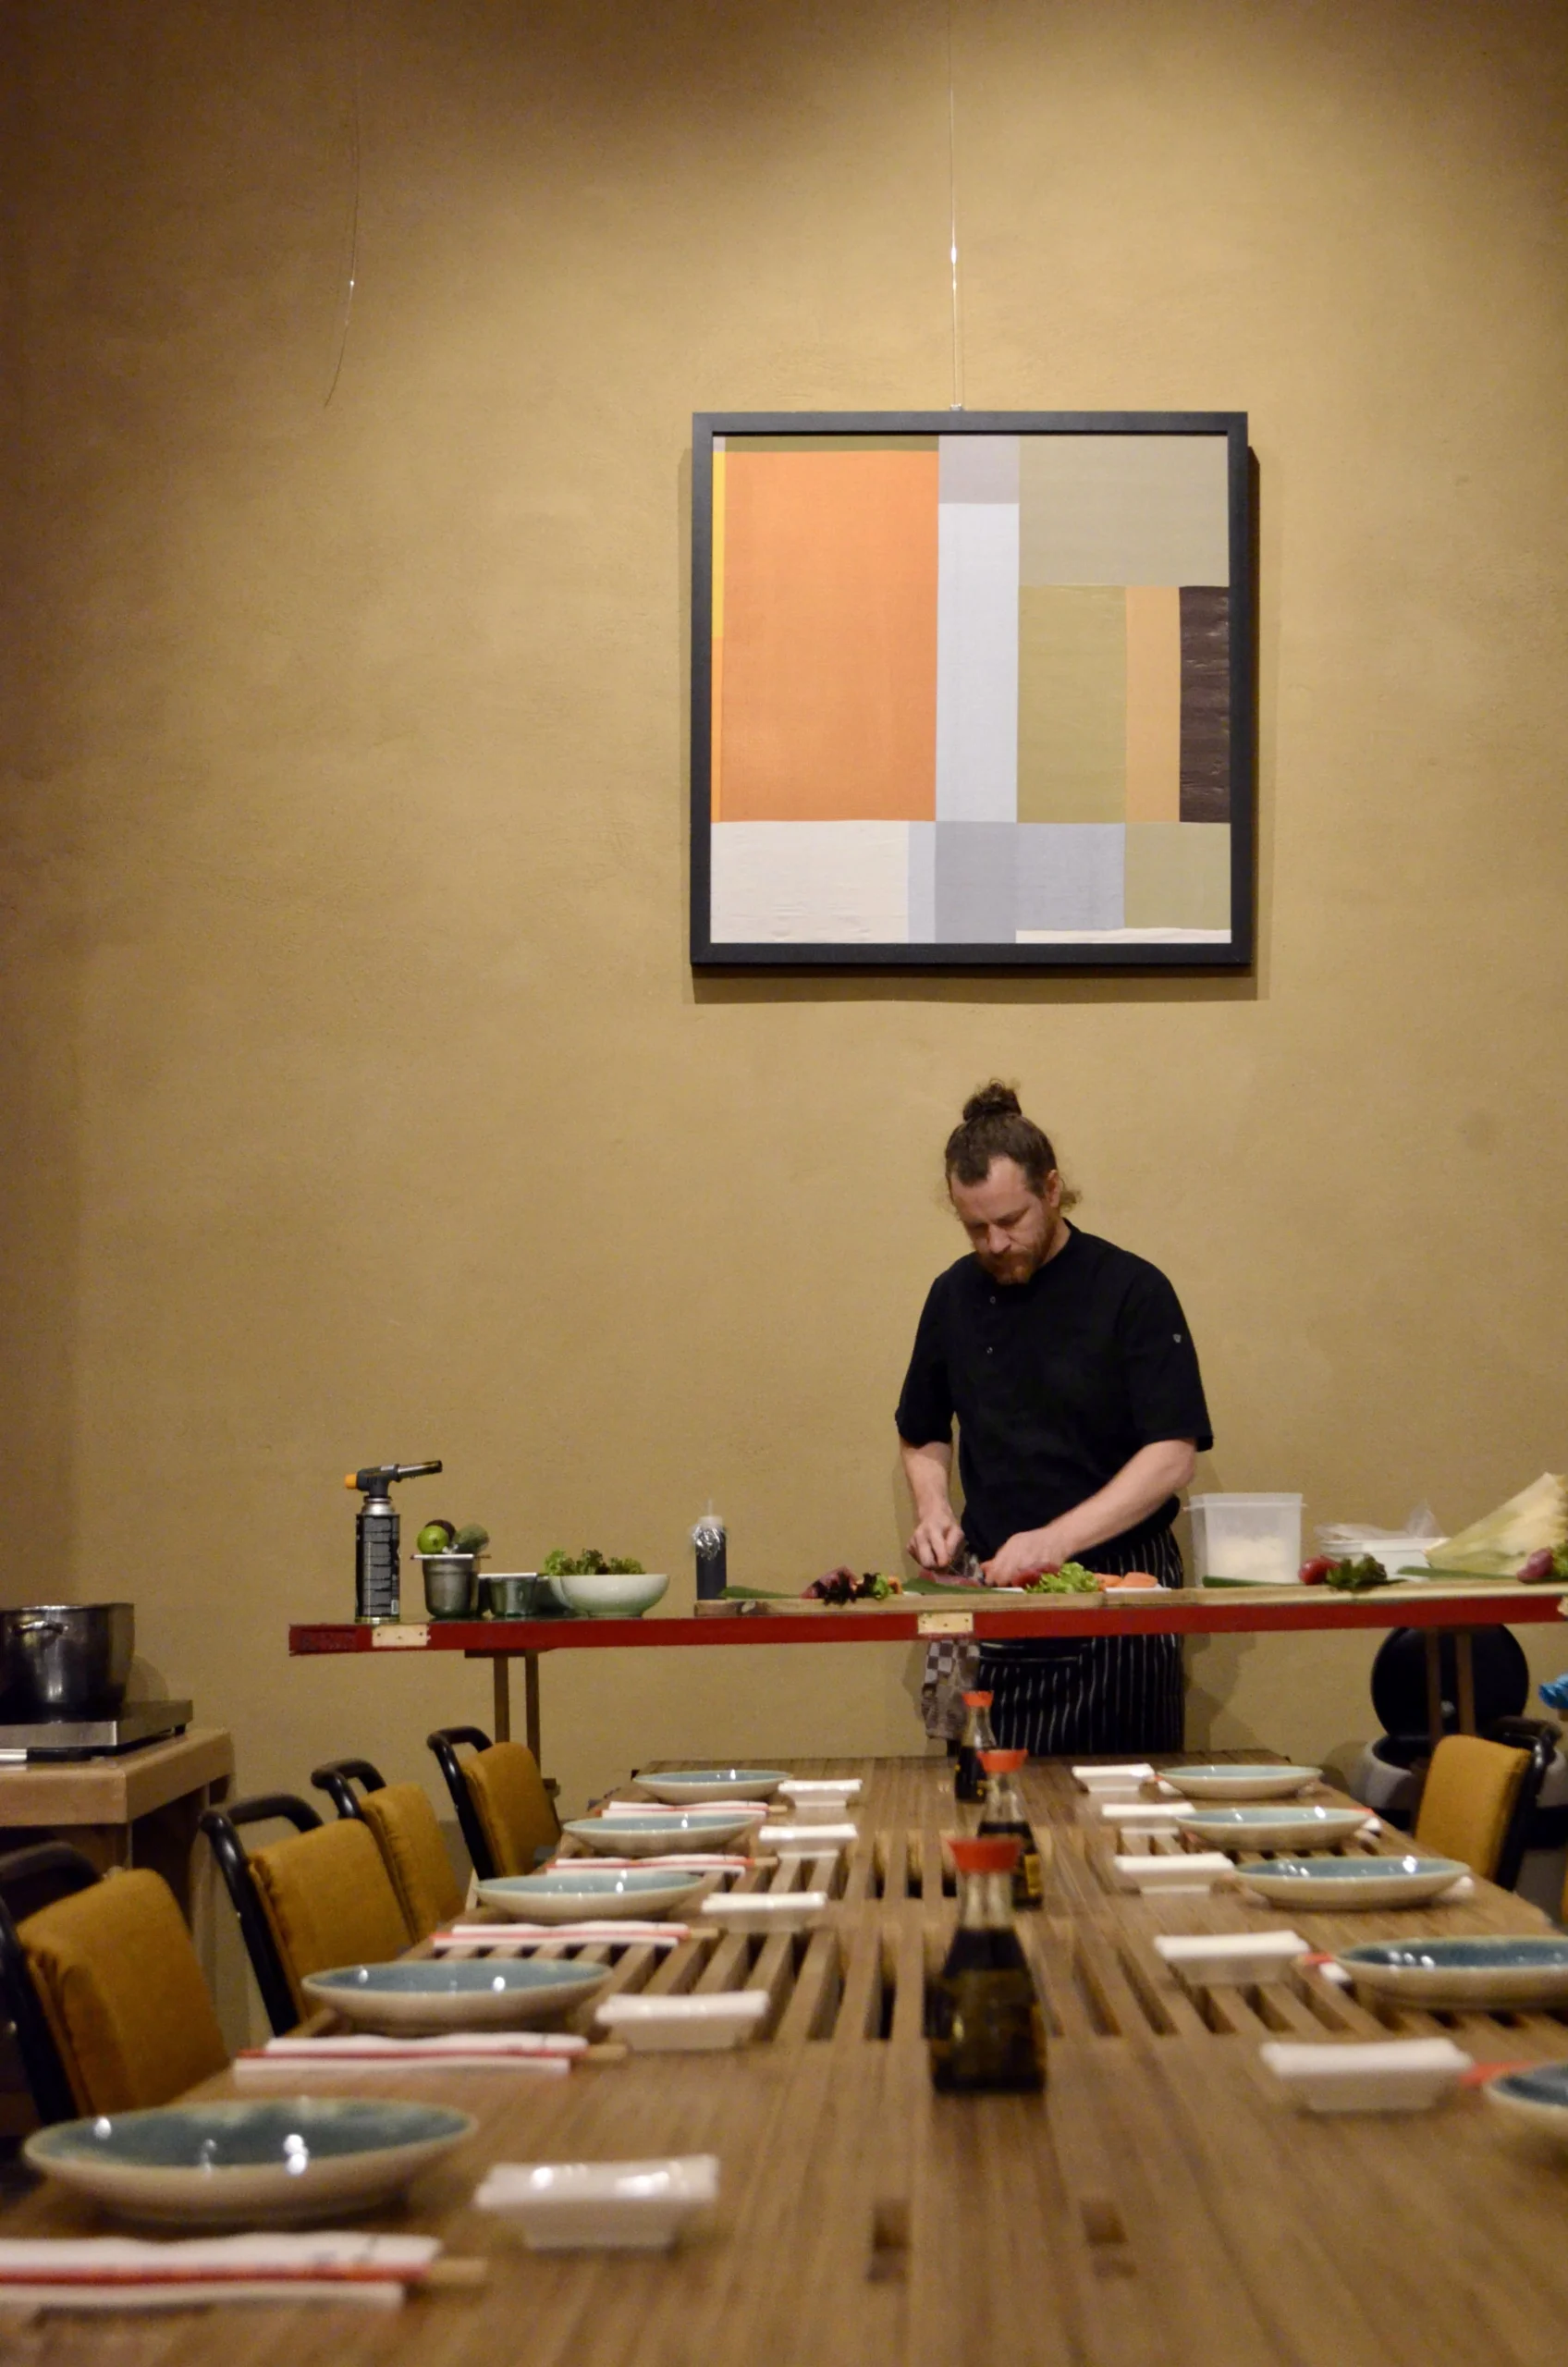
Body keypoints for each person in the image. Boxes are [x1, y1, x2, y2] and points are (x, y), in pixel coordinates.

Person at [896, 1082, 1213, 1756]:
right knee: (991, 1797)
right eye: (975, 1228)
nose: (995, 1242)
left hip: (1117, 1588)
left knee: (1118, 1804)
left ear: (1052, 1189)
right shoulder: (953, 1295)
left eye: (1011, 1220)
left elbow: (1172, 1454)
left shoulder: (1132, 1290)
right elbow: (922, 1430)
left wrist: (1056, 1541)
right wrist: (933, 1508)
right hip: (998, 1593)